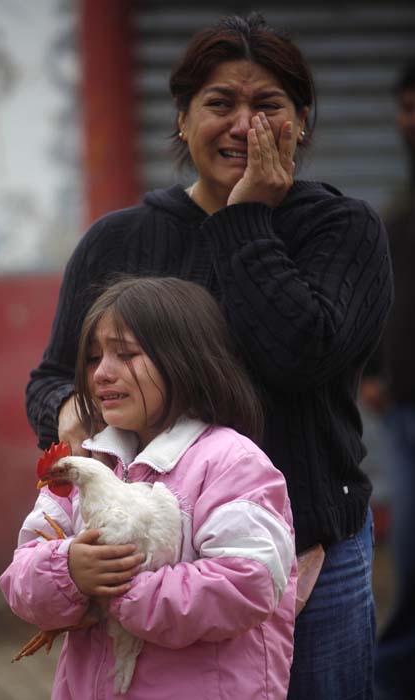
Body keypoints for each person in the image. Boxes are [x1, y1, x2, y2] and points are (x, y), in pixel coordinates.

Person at [26, 13, 393, 699]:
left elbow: (300, 357)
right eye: (220, 104)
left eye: (268, 106)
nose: (242, 126)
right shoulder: (118, 240)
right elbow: (51, 378)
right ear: (182, 118)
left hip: (316, 551)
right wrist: (69, 410)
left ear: (302, 122)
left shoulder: (342, 231)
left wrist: (246, 220)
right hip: (159, 570)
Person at [0, 276, 297, 700]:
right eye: (92, 358)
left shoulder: (231, 463)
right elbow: (20, 579)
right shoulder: (87, 465)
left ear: (184, 360)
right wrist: (69, 571)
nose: (102, 372)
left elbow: (249, 582)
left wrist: (123, 592)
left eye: (126, 354)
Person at [361, 59, 415, 700]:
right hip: (405, 413)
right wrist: (372, 372)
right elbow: (382, 302)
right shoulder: (399, 212)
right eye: (405, 106)